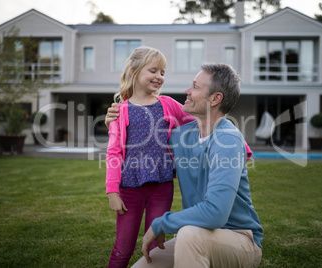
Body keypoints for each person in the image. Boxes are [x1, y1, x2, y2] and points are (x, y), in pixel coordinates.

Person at [132, 63, 263, 267]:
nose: (187, 91)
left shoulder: (227, 140)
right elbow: (143, 147)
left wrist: (160, 223)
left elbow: (215, 213)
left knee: (188, 234)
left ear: (215, 98)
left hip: (239, 239)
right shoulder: (181, 135)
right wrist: (115, 122)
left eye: (195, 86)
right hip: (195, 235)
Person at [105, 46, 194, 268]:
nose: (159, 77)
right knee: (122, 249)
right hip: (130, 188)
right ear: (135, 70)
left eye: (163, 72)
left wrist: (236, 141)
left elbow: (199, 121)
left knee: (156, 246)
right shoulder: (120, 111)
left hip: (162, 185)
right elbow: (114, 152)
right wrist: (112, 191)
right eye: (153, 70)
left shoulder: (168, 104)